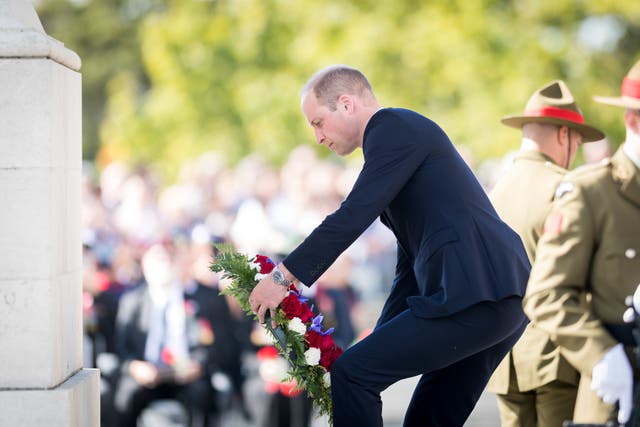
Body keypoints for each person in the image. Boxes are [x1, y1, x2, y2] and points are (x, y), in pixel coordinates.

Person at [248, 64, 531, 426]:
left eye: (318, 122)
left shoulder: (392, 127)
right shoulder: (397, 141)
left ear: (347, 104)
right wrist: (379, 339)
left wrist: (282, 277)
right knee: (427, 417)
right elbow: (409, 266)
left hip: (477, 294)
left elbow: (352, 215)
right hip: (493, 297)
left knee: (353, 374)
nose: (317, 137)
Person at [523, 59, 640, 425]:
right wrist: (603, 355)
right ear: (633, 121)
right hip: (618, 392)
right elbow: (546, 296)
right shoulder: (592, 190)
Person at [485, 80, 604, 427]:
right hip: (556, 353)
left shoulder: (495, 190)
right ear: (564, 134)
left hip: (502, 353)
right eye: (578, 140)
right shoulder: (565, 187)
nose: (578, 148)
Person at [113, 243, 219, 427]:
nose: (162, 267)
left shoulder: (192, 301)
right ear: (145, 268)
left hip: (184, 374)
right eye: (156, 262)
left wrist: (196, 365)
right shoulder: (132, 302)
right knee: (126, 395)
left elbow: (206, 342)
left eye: (166, 261)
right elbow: (120, 348)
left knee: (202, 393)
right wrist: (134, 367)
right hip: (147, 373)